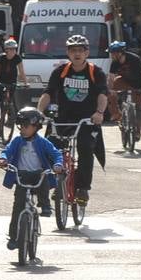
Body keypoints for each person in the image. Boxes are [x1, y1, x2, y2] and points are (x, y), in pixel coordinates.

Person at [35, 34, 107, 205]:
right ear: (68, 53)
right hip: (63, 119)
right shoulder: (60, 72)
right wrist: (39, 112)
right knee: (49, 148)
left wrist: (99, 112)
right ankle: (54, 184)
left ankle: (83, 188)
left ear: (87, 53)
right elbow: (48, 93)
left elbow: (103, 95)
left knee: (85, 149)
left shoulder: (95, 72)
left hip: (86, 121)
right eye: (73, 50)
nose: (77, 54)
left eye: (80, 50)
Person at [0, 106, 64, 248]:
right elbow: (7, 151)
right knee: (17, 208)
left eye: (26, 126)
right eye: (20, 127)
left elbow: (56, 153)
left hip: (38, 175)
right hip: (22, 176)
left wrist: (58, 164)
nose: (22, 130)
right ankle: (13, 237)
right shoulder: (17, 141)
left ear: (36, 126)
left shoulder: (42, 142)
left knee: (44, 179)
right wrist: (3, 159)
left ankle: (45, 205)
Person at [106, 41, 141, 143]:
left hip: (139, 84)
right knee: (111, 89)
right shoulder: (114, 63)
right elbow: (111, 77)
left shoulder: (134, 59)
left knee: (138, 108)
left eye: (113, 53)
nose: (111, 56)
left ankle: (137, 131)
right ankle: (117, 113)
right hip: (124, 82)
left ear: (120, 53)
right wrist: (111, 90)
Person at [0, 38, 22, 126]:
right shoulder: (1, 57)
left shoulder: (17, 58)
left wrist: (25, 82)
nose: (13, 51)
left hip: (12, 80)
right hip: (1, 80)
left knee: (10, 100)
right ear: (6, 50)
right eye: (11, 49)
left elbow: (21, 71)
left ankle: (8, 115)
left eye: (14, 49)